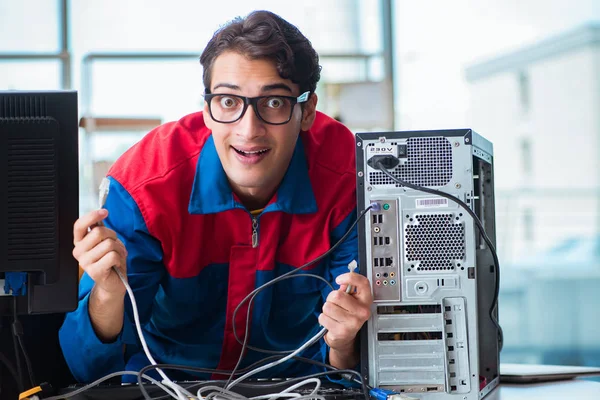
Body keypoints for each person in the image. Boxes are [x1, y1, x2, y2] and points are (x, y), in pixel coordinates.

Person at [59, 10, 373, 383]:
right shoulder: (145, 186)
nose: (248, 129)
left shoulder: (349, 180)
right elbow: (89, 372)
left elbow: (355, 368)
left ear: (306, 111)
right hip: (167, 385)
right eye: (228, 101)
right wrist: (109, 294)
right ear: (206, 109)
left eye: (273, 102)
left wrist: (343, 343)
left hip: (298, 385)